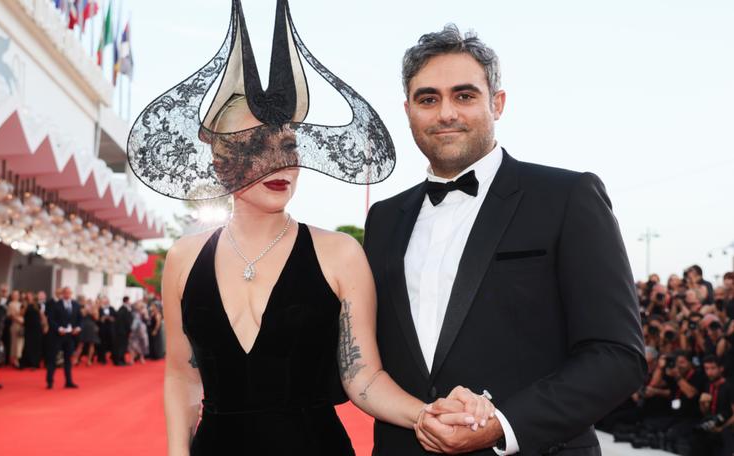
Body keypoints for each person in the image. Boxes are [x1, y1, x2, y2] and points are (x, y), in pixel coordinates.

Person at [130, 2, 495, 454]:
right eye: (257, 147)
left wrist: (424, 413)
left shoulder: (339, 253)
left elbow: (362, 377)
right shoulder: (184, 258)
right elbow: (181, 376)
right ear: (222, 163)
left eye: (288, 145)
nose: (281, 161)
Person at [363, 25, 647, 454]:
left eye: (464, 95)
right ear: (408, 110)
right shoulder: (383, 219)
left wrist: (502, 424)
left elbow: (616, 356)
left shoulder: (567, 197)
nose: (445, 114)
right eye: (428, 98)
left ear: (497, 102)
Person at [44, 287, 81, 389]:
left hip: (69, 336)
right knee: (53, 358)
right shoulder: (56, 305)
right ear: (62, 294)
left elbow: (79, 319)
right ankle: (50, 381)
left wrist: (78, 328)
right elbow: (51, 320)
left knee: (68, 359)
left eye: (69, 293)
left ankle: (69, 381)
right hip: (57, 336)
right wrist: (59, 328)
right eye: (65, 293)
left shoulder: (76, 305)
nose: (67, 295)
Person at [20, 293, 44, 369]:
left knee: (36, 345)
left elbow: (41, 316)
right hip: (28, 327)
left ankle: (35, 363)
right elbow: (21, 314)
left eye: (30, 296)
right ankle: (25, 363)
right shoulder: (24, 305)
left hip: (37, 327)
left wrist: (45, 325)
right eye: (28, 296)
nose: (29, 298)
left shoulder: (37, 305)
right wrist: (25, 306)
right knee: (27, 344)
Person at [6, 290, 24, 367]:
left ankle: (19, 358)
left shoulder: (21, 304)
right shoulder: (10, 304)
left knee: (21, 343)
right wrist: (19, 321)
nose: (16, 296)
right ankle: (15, 360)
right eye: (14, 295)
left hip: (22, 325)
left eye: (17, 294)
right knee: (15, 343)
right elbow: (10, 316)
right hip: (15, 324)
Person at [113, 297, 133, 366]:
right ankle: (119, 361)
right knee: (122, 346)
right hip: (123, 332)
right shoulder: (124, 310)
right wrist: (130, 330)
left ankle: (122, 360)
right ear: (127, 301)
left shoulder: (121, 309)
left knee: (122, 346)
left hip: (120, 331)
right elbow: (127, 322)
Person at [96, 296, 115, 364]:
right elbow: (97, 319)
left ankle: (113, 357)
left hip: (110, 329)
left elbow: (115, 318)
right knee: (102, 344)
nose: (106, 302)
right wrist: (102, 319)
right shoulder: (99, 309)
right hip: (102, 329)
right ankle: (102, 358)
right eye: (104, 301)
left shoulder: (112, 308)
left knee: (112, 343)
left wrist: (111, 318)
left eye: (107, 301)